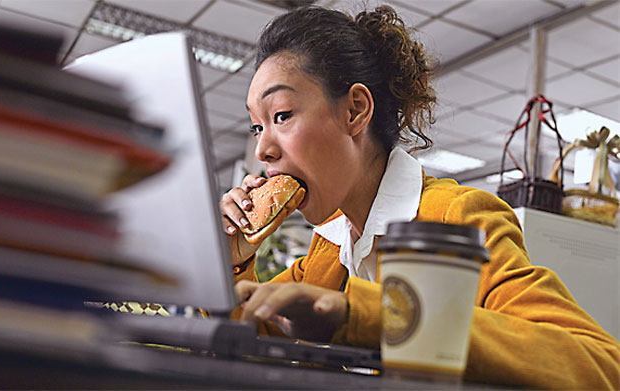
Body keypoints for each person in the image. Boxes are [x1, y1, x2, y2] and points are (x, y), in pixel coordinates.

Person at [218, 5, 619, 389]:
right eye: (257, 127)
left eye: (282, 116)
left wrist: (369, 316)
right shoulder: (331, 242)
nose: (262, 150)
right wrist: (232, 263)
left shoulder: (458, 216)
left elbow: (599, 364)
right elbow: (253, 341)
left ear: (355, 110)